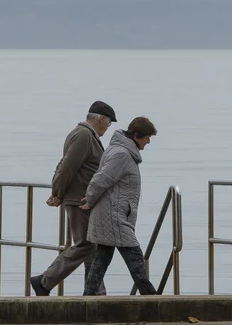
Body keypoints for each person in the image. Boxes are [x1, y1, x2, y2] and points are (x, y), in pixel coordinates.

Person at [29, 100, 117, 296]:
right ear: (101, 118)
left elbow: (66, 165)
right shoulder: (84, 135)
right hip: (79, 199)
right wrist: (57, 193)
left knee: (91, 246)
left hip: (83, 198)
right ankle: (45, 281)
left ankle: (94, 292)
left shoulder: (83, 134)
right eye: (109, 123)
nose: (108, 128)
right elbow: (67, 166)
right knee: (86, 245)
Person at [80, 116, 159, 296]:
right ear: (136, 136)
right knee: (135, 257)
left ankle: (87, 299)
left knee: (101, 258)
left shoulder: (120, 150)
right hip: (114, 215)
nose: (148, 142)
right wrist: (90, 200)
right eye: (147, 138)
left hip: (113, 213)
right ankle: (152, 300)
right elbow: (101, 179)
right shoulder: (122, 154)